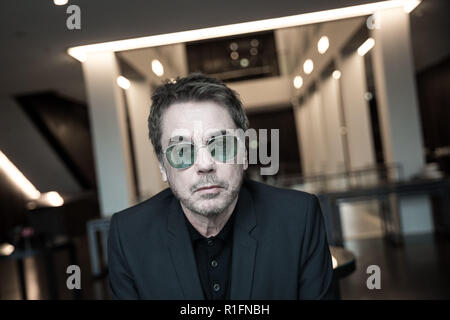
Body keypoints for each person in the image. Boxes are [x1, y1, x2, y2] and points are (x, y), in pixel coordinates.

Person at [107, 73, 336, 300]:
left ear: (245, 154)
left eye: (223, 144)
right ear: (162, 166)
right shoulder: (128, 237)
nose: (205, 164)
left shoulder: (299, 218)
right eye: (182, 151)